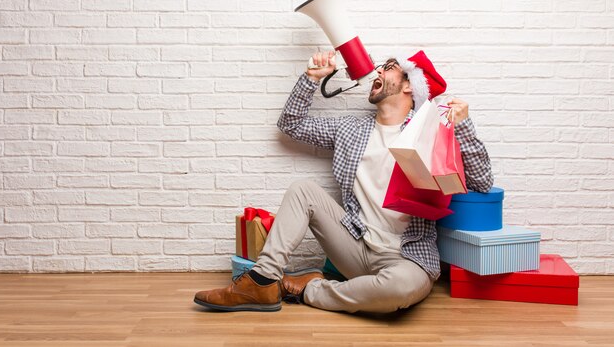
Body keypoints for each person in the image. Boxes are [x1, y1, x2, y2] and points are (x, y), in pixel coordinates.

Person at [194, 50, 493, 313]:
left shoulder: (430, 132)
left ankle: (306, 289)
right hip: (354, 246)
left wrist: (462, 126)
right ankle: (261, 281)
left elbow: (481, 182)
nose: (377, 71)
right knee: (303, 190)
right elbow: (291, 124)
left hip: (406, 258)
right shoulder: (350, 129)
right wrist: (311, 79)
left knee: (399, 291)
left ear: (407, 85)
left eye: (388, 67)